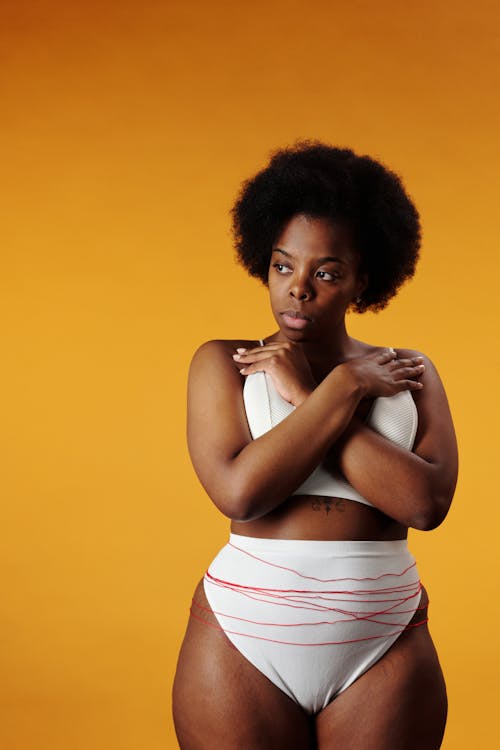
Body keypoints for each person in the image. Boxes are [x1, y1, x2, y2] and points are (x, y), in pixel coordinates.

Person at [172, 142, 458, 749]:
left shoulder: (408, 371)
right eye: (283, 267)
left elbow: (423, 505)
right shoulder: (227, 363)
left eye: (325, 273)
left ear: (365, 279)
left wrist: (310, 393)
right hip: (242, 636)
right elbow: (241, 493)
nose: (298, 289)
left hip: (383, 638)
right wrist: (346, 387)